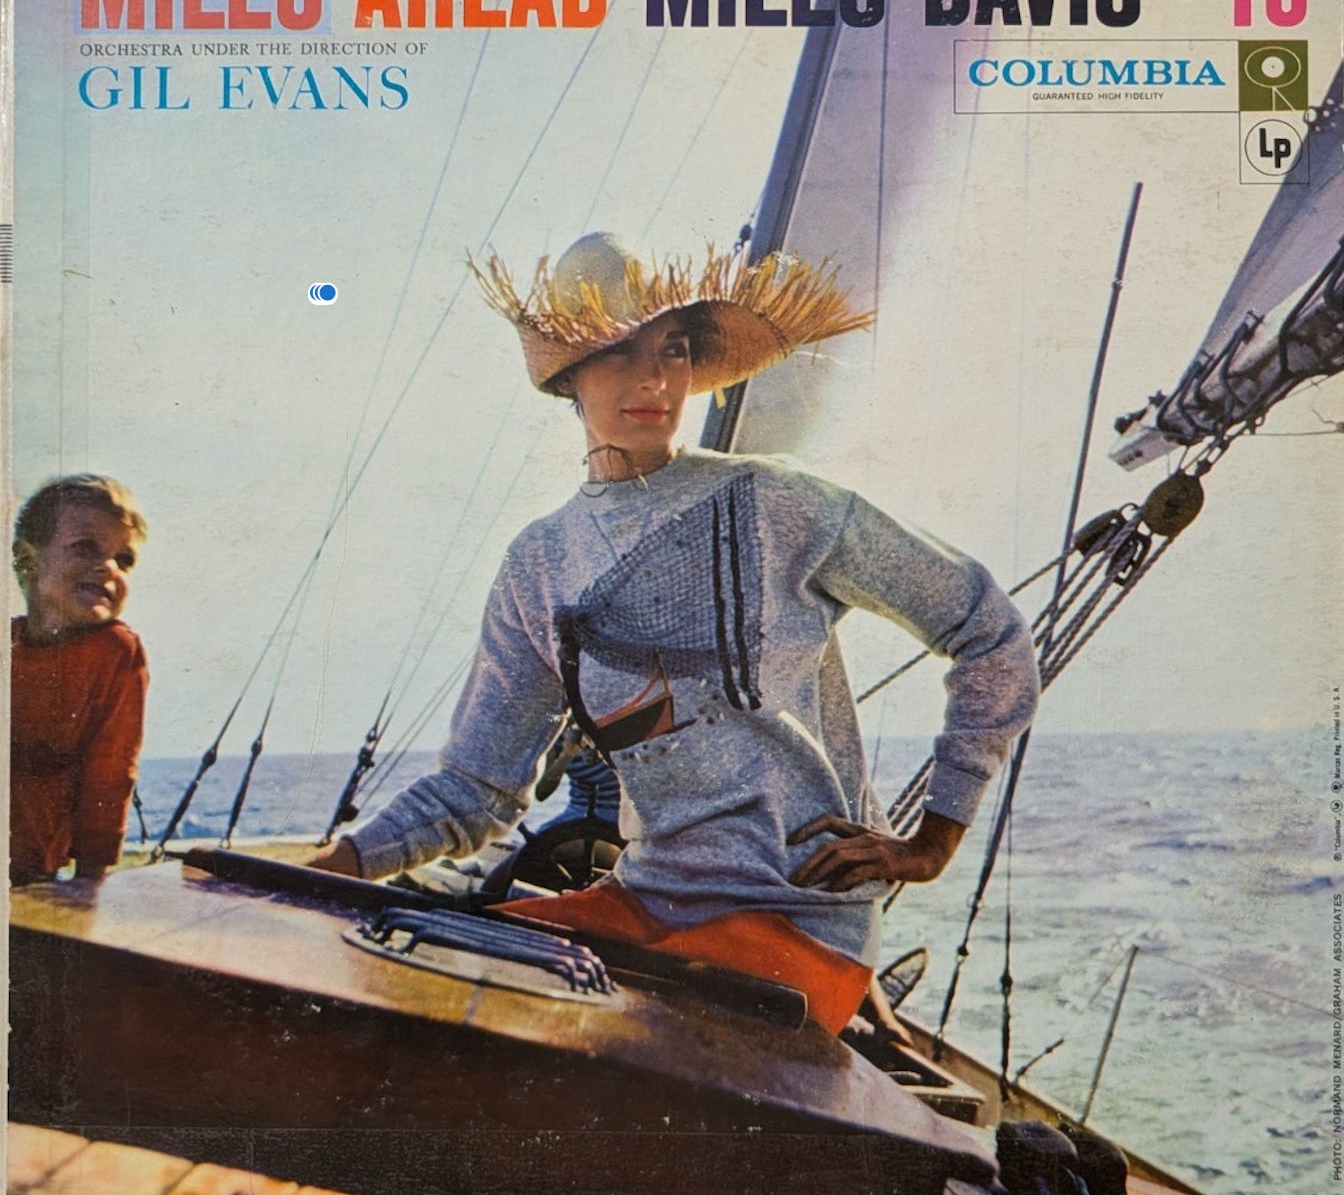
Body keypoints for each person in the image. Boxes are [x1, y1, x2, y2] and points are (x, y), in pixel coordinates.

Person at [310, 234, 1040, 1033]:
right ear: (569, 373)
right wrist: (336, 864)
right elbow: (478, 788)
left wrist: (932, 842)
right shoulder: (539, 563)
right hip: (645, 902)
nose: (654, 379)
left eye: (673, 351)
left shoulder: (777, 501)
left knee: (581, 1055)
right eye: (619, 352)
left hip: (798, 923)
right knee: (420, 989)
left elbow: (990, 632)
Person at [10, 473, 149, 884]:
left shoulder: (115, 654)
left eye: (124, 559)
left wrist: (90, 881)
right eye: (86, 547)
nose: (108, 567)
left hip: (30, 871)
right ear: (28, 562)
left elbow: (111, 774)